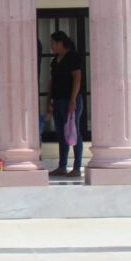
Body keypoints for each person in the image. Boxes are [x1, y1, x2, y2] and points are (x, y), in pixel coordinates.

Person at [46, 30, 84, 178]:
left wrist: (73, 100)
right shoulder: (55, 61)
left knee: (74, 133)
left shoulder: (73, 56)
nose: (51, 46)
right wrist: (49, 101)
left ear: (61, 43)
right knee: (62, 134)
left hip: (71, 101)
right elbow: (52, 82)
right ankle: (62, 166)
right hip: (58, 101)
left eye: (53, 43)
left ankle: (76, 167)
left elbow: (77, 79)